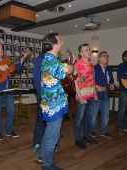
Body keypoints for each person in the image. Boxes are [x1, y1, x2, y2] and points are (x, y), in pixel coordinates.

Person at [39, 33, 76, 170]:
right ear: (55, 46)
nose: (61, 43)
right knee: (52, 137)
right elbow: (66, 69)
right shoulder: (52, 61)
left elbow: (61, 70)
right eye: (60, 41)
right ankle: (47, 165)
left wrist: (69, 62)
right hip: (53, 105)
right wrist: (71, 66)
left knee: (49, 133)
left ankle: (43, 155)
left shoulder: (48, 59)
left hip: (52, 104)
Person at [0, 42, 27, 141]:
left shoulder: (6, 60)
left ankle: (9, 131)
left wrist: (22, 58)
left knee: (11, 111)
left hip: (8, 91)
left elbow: (16, 68)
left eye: (1, 48)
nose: (0, 50)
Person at [74, 43, 98, 150]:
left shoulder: (91, 63)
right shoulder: (77, 65)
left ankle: (86, 136)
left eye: (89, 50)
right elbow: (75, 82)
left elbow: (93, 78)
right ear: (81, 53)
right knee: (79, 118)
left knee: (89, 116)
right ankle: (78, 139)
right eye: (86, 50)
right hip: (82, 96)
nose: (89, 52)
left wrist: (95, 93)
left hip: (91, 95)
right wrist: (81, 97)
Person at [90, 51, 114, 139]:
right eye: (104, 56)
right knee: (94, 114)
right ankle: (92, 130)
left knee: (106, 114)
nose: (106, 57)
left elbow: (111, 80)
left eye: (107, 56)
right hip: (97, 95)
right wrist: (96, 87)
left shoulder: (108, 69)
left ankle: (103, 131)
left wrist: (112, 85)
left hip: (106, 95)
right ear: (99, 58)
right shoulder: (95, 68)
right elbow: (91, 80)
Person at [116, 50, 127, 135]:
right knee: (122, 109)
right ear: (124, 57)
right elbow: (120, 75)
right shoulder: (122, 65)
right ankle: (119, 126)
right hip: (124, 90)